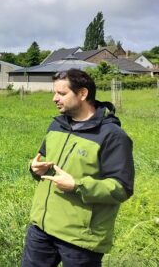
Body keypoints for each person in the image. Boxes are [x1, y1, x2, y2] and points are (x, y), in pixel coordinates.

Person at [22, 69, 135, 267]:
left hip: (80, 239)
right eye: (54, 92)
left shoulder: (112, 136)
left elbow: (122, 188)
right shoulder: (57, 125)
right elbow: (46, 165)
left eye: (62, 93)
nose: (54, 98)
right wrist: (35, 169)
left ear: (83, 94)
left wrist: (77, 185)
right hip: (41, 229)